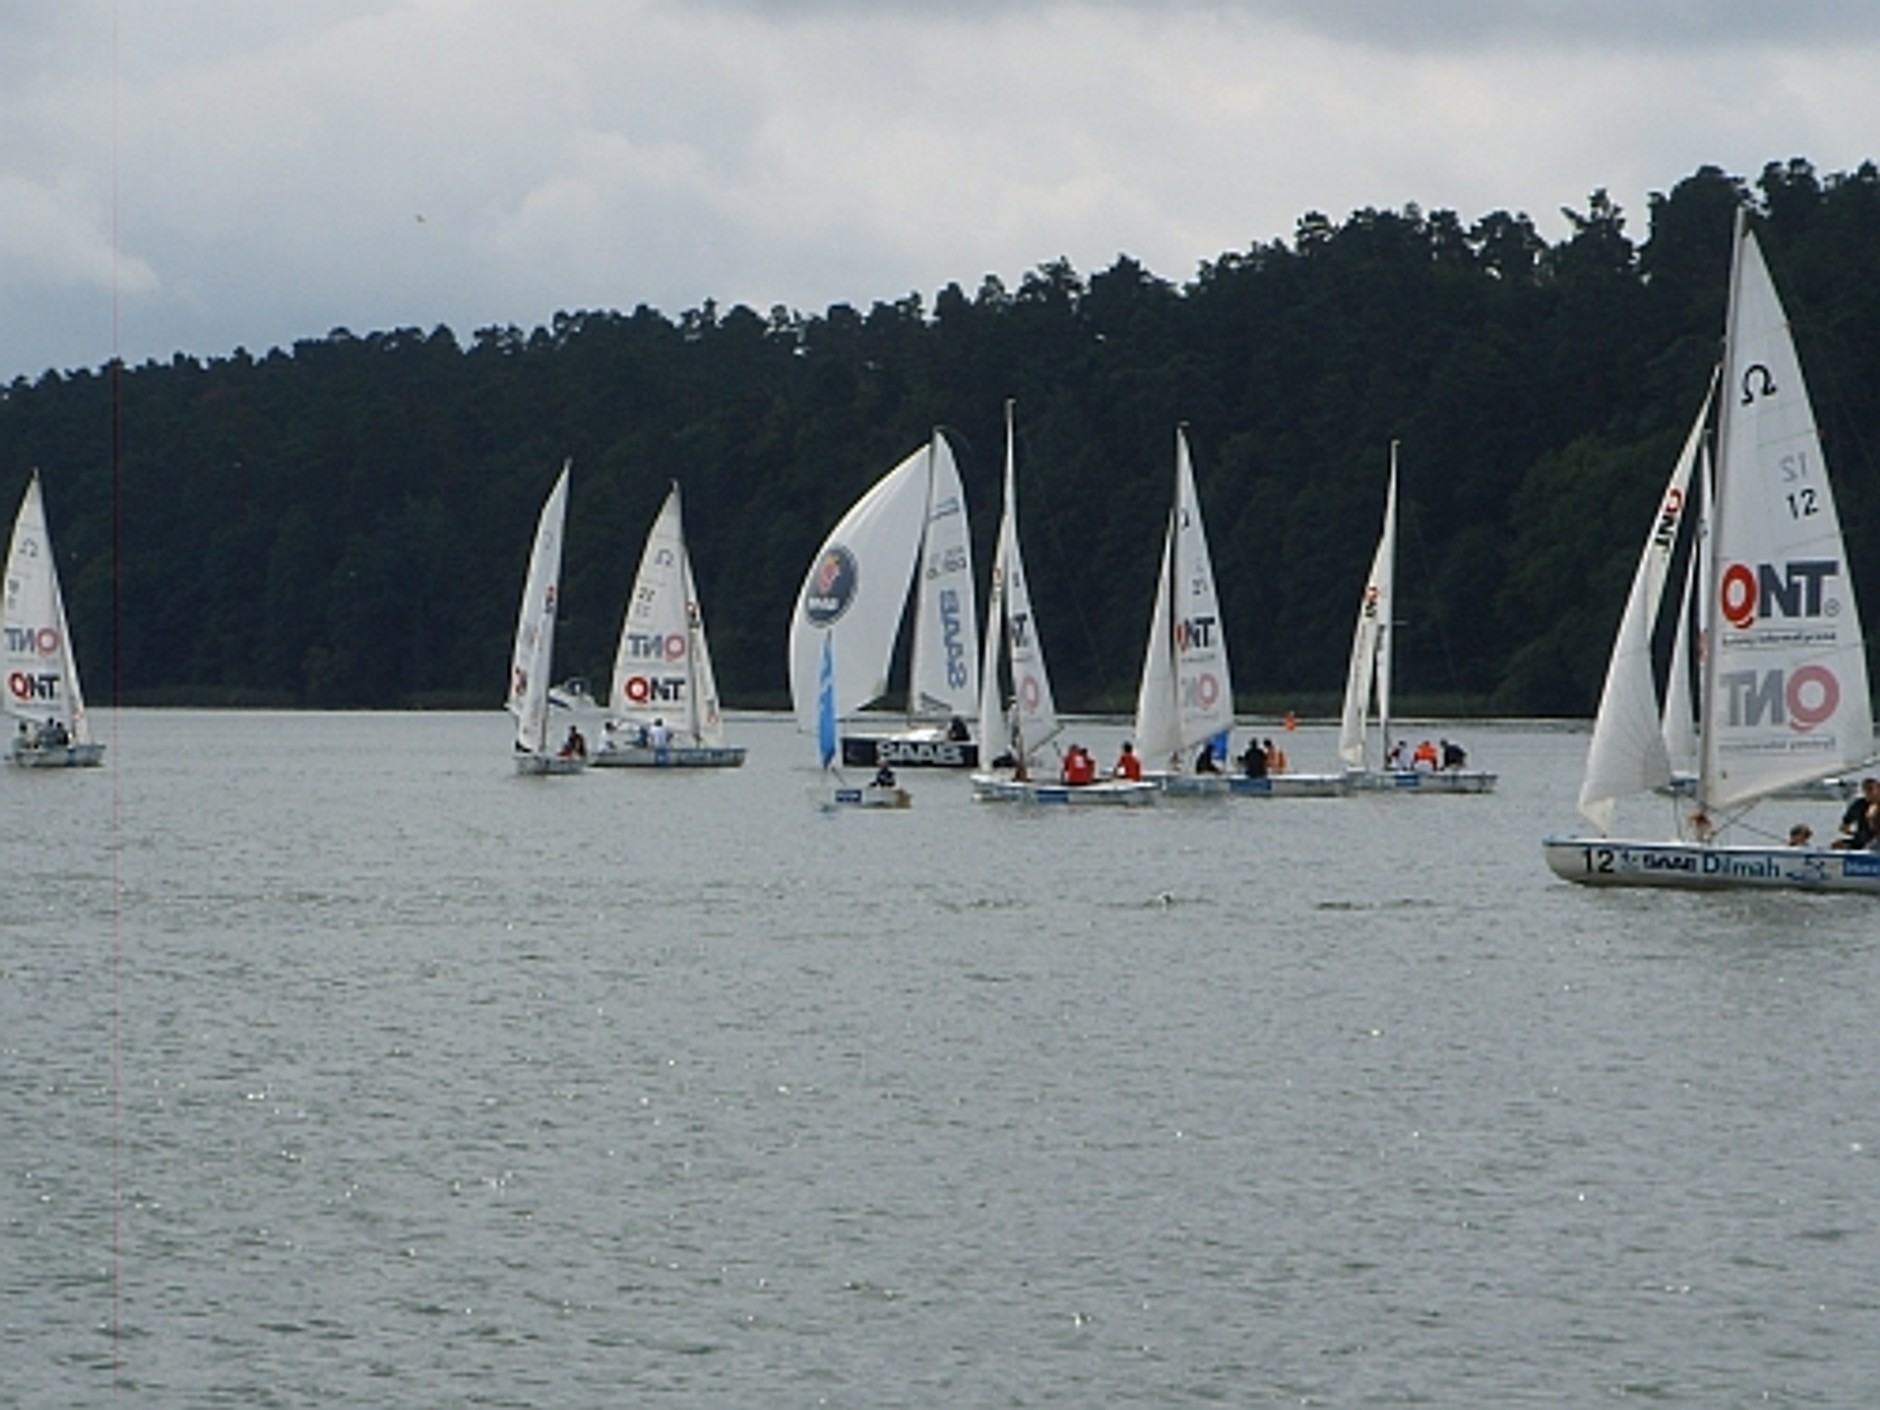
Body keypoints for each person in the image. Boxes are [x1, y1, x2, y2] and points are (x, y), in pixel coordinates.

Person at [1833, 778, 1880, 849]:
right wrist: (1855, 833)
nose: (1867, 793)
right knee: (1837, 845)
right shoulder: (1858, 805)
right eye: (1865, 790)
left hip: (1875, 842)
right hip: (1861, 842)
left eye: (1870, 789)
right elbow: (1843, 828)